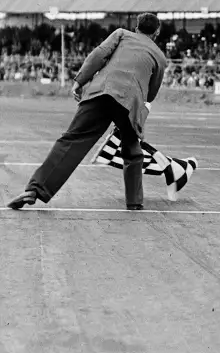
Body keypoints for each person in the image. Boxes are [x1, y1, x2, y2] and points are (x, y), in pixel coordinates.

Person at [7, 13, 167, 211]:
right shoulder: (160, 56)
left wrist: (79, 81)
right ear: (157, 31)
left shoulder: (121, 34)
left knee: (71, 140)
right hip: (129, 103)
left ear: (136, 27)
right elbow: (151, 94)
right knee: (132, 150)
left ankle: (35, 189)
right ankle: (134, 201)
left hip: (100, 91)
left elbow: (98, 55)